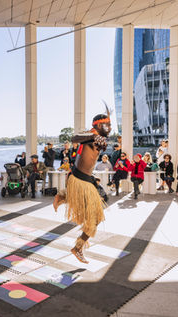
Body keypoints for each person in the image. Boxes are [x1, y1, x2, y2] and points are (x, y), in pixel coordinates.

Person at [53, 109, 111, 264]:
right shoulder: (89, 135)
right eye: (107, 125)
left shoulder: (96, 137)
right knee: (95, 218)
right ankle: (78, 248)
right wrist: (93, 136)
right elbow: (74, 137)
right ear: (98, 125)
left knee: (96, 217)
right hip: (80, 180)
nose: (110, 128)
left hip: (84, 179)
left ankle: (64, 197)